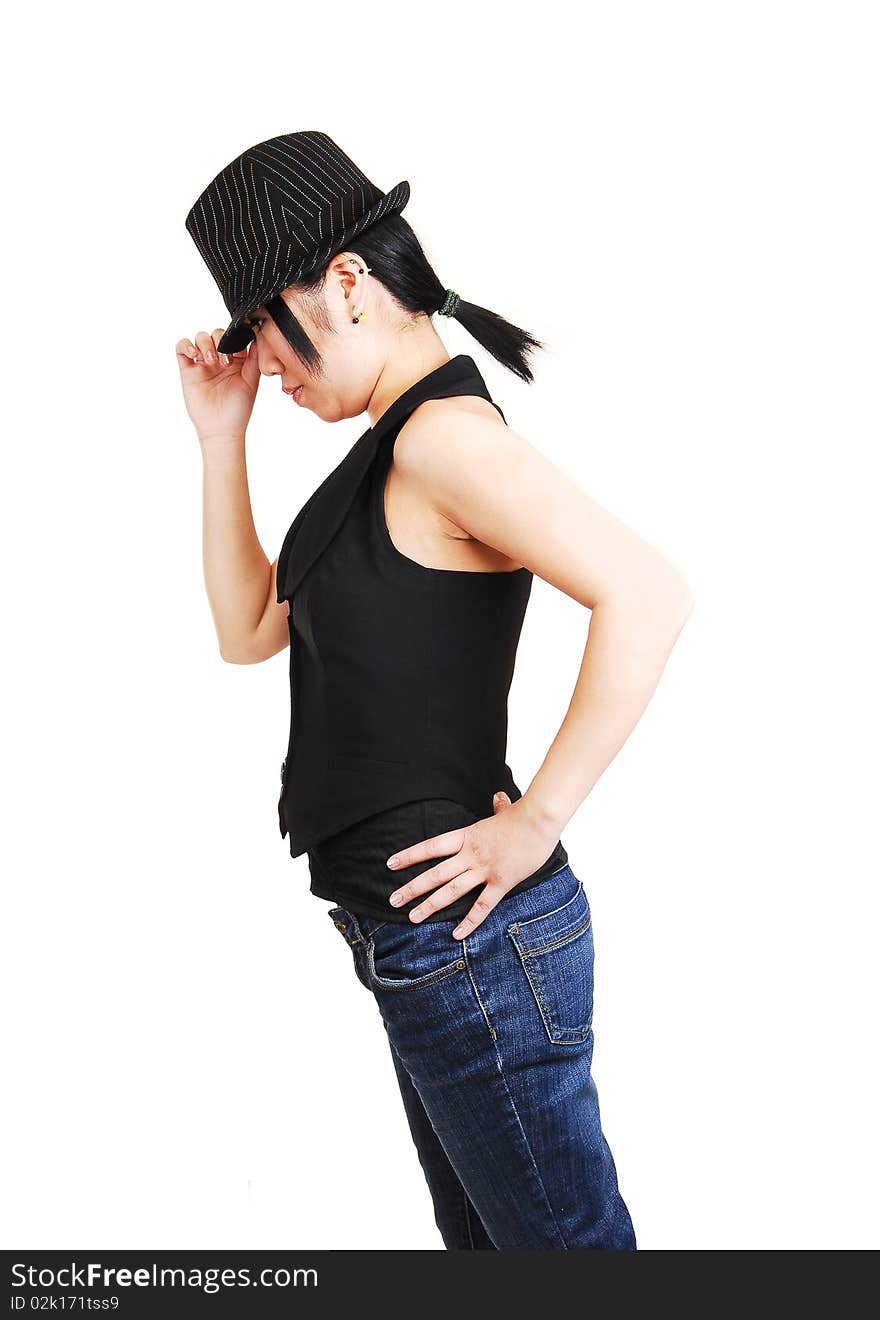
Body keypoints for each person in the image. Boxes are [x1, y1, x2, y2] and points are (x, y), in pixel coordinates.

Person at [176, 131, 694, 1250]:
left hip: (473, 945)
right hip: (423, 946)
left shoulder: (445, 441)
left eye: (268, 329)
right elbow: (247, 631)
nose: (265, 363)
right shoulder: (385, 451)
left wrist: (534, 826)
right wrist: (223, 441)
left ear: (348, 284)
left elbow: (646, 595)